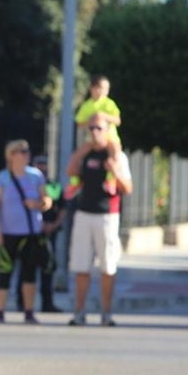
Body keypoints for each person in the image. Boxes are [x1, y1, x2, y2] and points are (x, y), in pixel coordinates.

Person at [66, 112, 133, 326]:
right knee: (81, 266)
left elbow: (127, 188)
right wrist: (78, 155)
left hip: (107, 216)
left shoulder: (116, 156)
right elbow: (70, 172)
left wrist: (115, 171)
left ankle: (106, 312)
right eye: (91, 129)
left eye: (99, 128)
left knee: (107, 266)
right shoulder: (85, 153)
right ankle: (79, 312)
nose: (94, 133)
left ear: (107, 131)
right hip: (84, 213)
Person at [0, 139, 51, 324]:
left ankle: (29, 311)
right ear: (11, 155)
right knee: (5, 271)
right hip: (8, 233)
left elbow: (47, 200)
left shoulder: (35, 176)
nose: (25, 155)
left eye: (26, 151)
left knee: (30, 272)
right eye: (21, 151)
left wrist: (38, 204)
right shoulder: (2, 178)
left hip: (31, 233)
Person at [33, 153, 65, 311]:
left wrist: (54, 225)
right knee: (28, 267)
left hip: (48, 233)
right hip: (31, 232)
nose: (41, 167)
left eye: (44, 164)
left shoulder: (53, 186)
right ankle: (23, 302)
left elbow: (62, 209)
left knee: (48, 268)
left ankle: (48, 303)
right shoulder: (28, 184)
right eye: (38, 163)